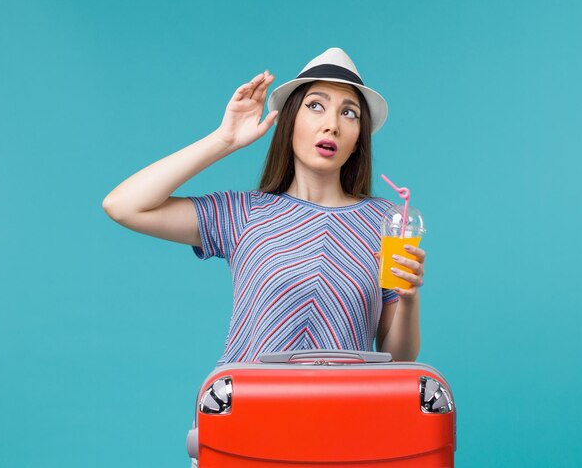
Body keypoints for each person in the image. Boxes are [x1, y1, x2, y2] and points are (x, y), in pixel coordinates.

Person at [102, 48, 426, 367]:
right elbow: (124, 205)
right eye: (316, 106)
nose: (332, 125)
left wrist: (409, 299)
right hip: (250, 410)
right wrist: (224, 140)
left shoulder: (385, 222)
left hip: (343, 412)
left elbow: (396, 359)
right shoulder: (244, 213)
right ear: (290, 121)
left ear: (359, 138)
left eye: (349, 112)